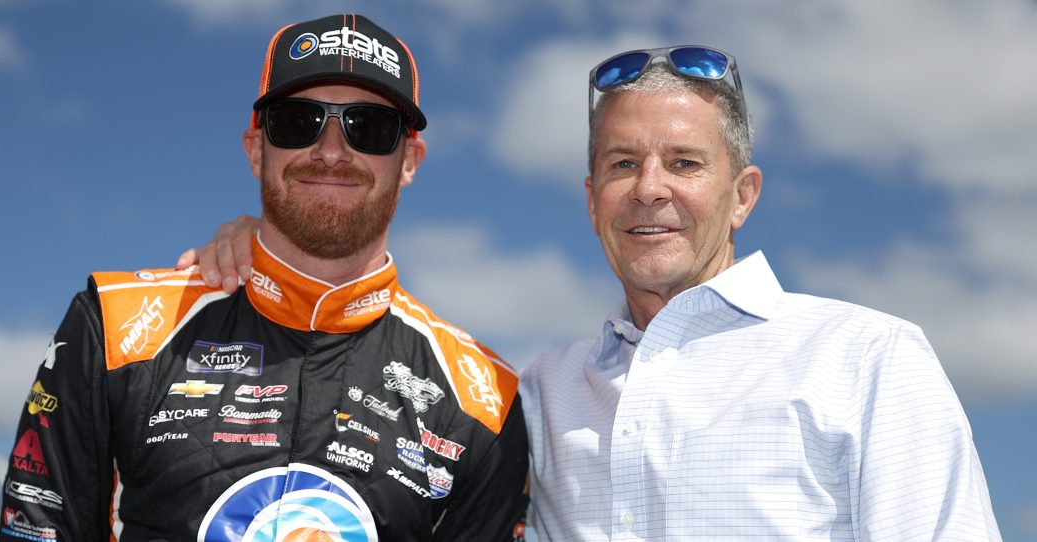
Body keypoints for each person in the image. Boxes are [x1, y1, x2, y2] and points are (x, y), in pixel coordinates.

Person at [182, 45, 1002, 540]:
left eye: (684, 163)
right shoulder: (535, 391)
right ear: (589, 198)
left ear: (743, 194)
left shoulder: (869, 360)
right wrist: (262, 246)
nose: (650, 190)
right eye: (621, 165)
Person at [0, 14, 528, 542]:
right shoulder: (115, 325)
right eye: (298, 122)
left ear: (409, 159)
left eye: (369, 127)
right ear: (256, 149)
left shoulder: (485, 397)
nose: (331, 150)